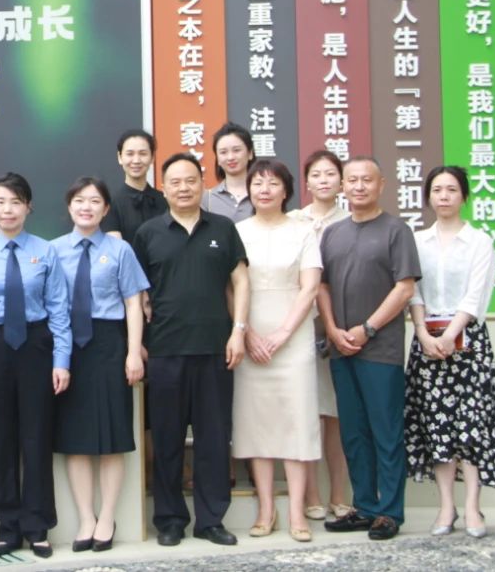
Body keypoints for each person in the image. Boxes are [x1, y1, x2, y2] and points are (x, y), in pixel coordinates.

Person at [133, 152, 248, 549]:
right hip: (164, 350)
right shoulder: (148, 233)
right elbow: (136, 291)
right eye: (175, 182)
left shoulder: (223, 228)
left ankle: (211, 519)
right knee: (166, 439)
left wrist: (239, 331)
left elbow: (240, 281)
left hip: (215, 349)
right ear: (164, 188)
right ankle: (169, 520)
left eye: (190, 181)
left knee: (213, 439)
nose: (183, 188)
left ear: (202, 184)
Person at [405, 166, 495, 538]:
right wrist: (423, 333)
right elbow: (413, 292)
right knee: (436, 425)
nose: (444, 196)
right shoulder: (417, 241)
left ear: (464, 196)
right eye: (437, 189)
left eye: (451, 189)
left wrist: (450, 335)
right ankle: (446, 506)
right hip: (427, 342)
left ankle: (472, 505)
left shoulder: (479, 241)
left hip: (468, 342)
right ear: (428, 196)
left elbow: (475, 295)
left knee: (471, 425)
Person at [0, 172, 71, 559]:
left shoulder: (46, 251)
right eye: (1, 202)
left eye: (15, 202)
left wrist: (62, 360)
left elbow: (59, 309)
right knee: (1, 440)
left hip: (36, 346)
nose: (7, 209)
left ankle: (37, 526)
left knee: (37, 437)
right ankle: (8, 527)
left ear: (28, 207)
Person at [319, 156, 420, 541]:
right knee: (354, 432)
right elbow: (323, 286)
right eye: (352, 180)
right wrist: (333, 329)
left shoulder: (397, 230)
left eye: (367, 180)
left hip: (380, 351)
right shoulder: (333, 233)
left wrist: (367, 329)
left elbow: (404, 288)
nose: (359, 186)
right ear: (342, 186)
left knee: (386, 432)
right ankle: (364, 506)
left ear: (381, 185)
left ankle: (390, 511)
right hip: (341, 348)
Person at [51, 178, 147, 553]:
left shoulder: (120, 250)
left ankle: (107, 517)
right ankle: (85, 518)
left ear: (106, 209)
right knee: (75, 439)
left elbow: (133, 303)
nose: (86, 207)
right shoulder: (54, 250)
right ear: (69, 207)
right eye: (79, 200)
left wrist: (133, 352)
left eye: (94, 201)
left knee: (111, 437)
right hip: (67, 346)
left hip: (109, 344)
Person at [231, 160, 322, 543]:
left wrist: (283, 333)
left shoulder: (304, 230)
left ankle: (297, 512)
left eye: (272, 183)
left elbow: (310, 287)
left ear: (286, 190)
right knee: (258, 425)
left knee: (296, 421)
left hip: (294, 338)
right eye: (257, 183)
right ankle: (266, 509)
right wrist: (247, 333)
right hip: (249, 336)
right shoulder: (237, 231)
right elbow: (230, 288)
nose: (264, 190)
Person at [291, 150, 352, 523]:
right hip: (301, 326)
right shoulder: (293, 221)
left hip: (339, 326)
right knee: (308, 412)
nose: (324, 180)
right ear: (307, 181)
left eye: (330, 174)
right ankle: (311, 494)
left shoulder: (351, 220)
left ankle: (339, 493)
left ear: (341, 182)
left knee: (336, 415)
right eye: (316, 174)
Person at [100, 129, 167, 244]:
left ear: (152, 157)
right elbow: (115, 249)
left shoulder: (165, 200)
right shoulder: (111, 204)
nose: (136, 160)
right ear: (120, 157)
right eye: (130, 154)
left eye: (143, 154)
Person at [202, 121, 255, 222]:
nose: (230, 157)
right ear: (217, 159)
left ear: (250, 153)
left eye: (236, 150)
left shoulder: (263, 194)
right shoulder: (207, 198)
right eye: (223, 152)